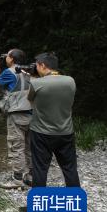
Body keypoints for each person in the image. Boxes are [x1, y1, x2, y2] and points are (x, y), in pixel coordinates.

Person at [27, 52, 79, 187]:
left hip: (41, 133)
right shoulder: (70, 80)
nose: (36, 68)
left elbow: (30, 101)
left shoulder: (36, 83)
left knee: (40, 169)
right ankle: (75, 198)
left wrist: (33, 79)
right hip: (66, 131)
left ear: (43, 65)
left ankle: (38, 200)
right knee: (70, 168)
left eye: (37, 65)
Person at [0, 49, 33, 187]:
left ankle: (17, 179)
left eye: (7, 56)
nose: (5, 58)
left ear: (12, 59)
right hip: (32, 114)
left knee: (16, 146)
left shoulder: (9, 72)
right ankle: (31, 176)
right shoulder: (28, 72)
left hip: (17, 114)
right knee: (30, 146)